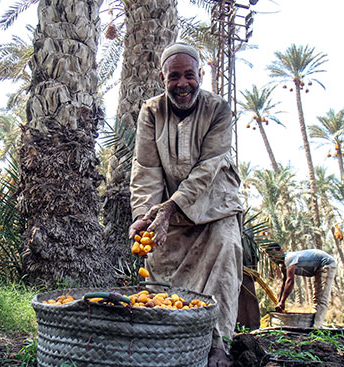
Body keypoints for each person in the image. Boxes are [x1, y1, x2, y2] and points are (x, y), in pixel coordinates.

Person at [128, 42, 244, 367]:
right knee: (161, 265)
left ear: (200, 75)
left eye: (189, 75)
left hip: (216, 203)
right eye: (174, 76)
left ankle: (218, 343)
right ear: (162, 78)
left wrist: (169, 208)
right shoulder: (151, 112)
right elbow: (146, 170)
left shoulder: (219, 109)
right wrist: (145, 217)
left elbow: (209, 168)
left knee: (225, 249)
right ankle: (169, 336)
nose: (182, 84)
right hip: (170, 210)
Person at [273, 248, 337, 328]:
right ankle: (311, 324)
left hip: (327, 264)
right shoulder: (284, 266)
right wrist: (280, 302)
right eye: (271, 256)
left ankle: (317, 327)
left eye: (274, 254)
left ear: (281, 251)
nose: (273, 258)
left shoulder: (288, 258)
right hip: (318, 268)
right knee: (316, 298)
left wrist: (282, 302)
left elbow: (290, 281)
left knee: (322, 297)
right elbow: (284, 284)